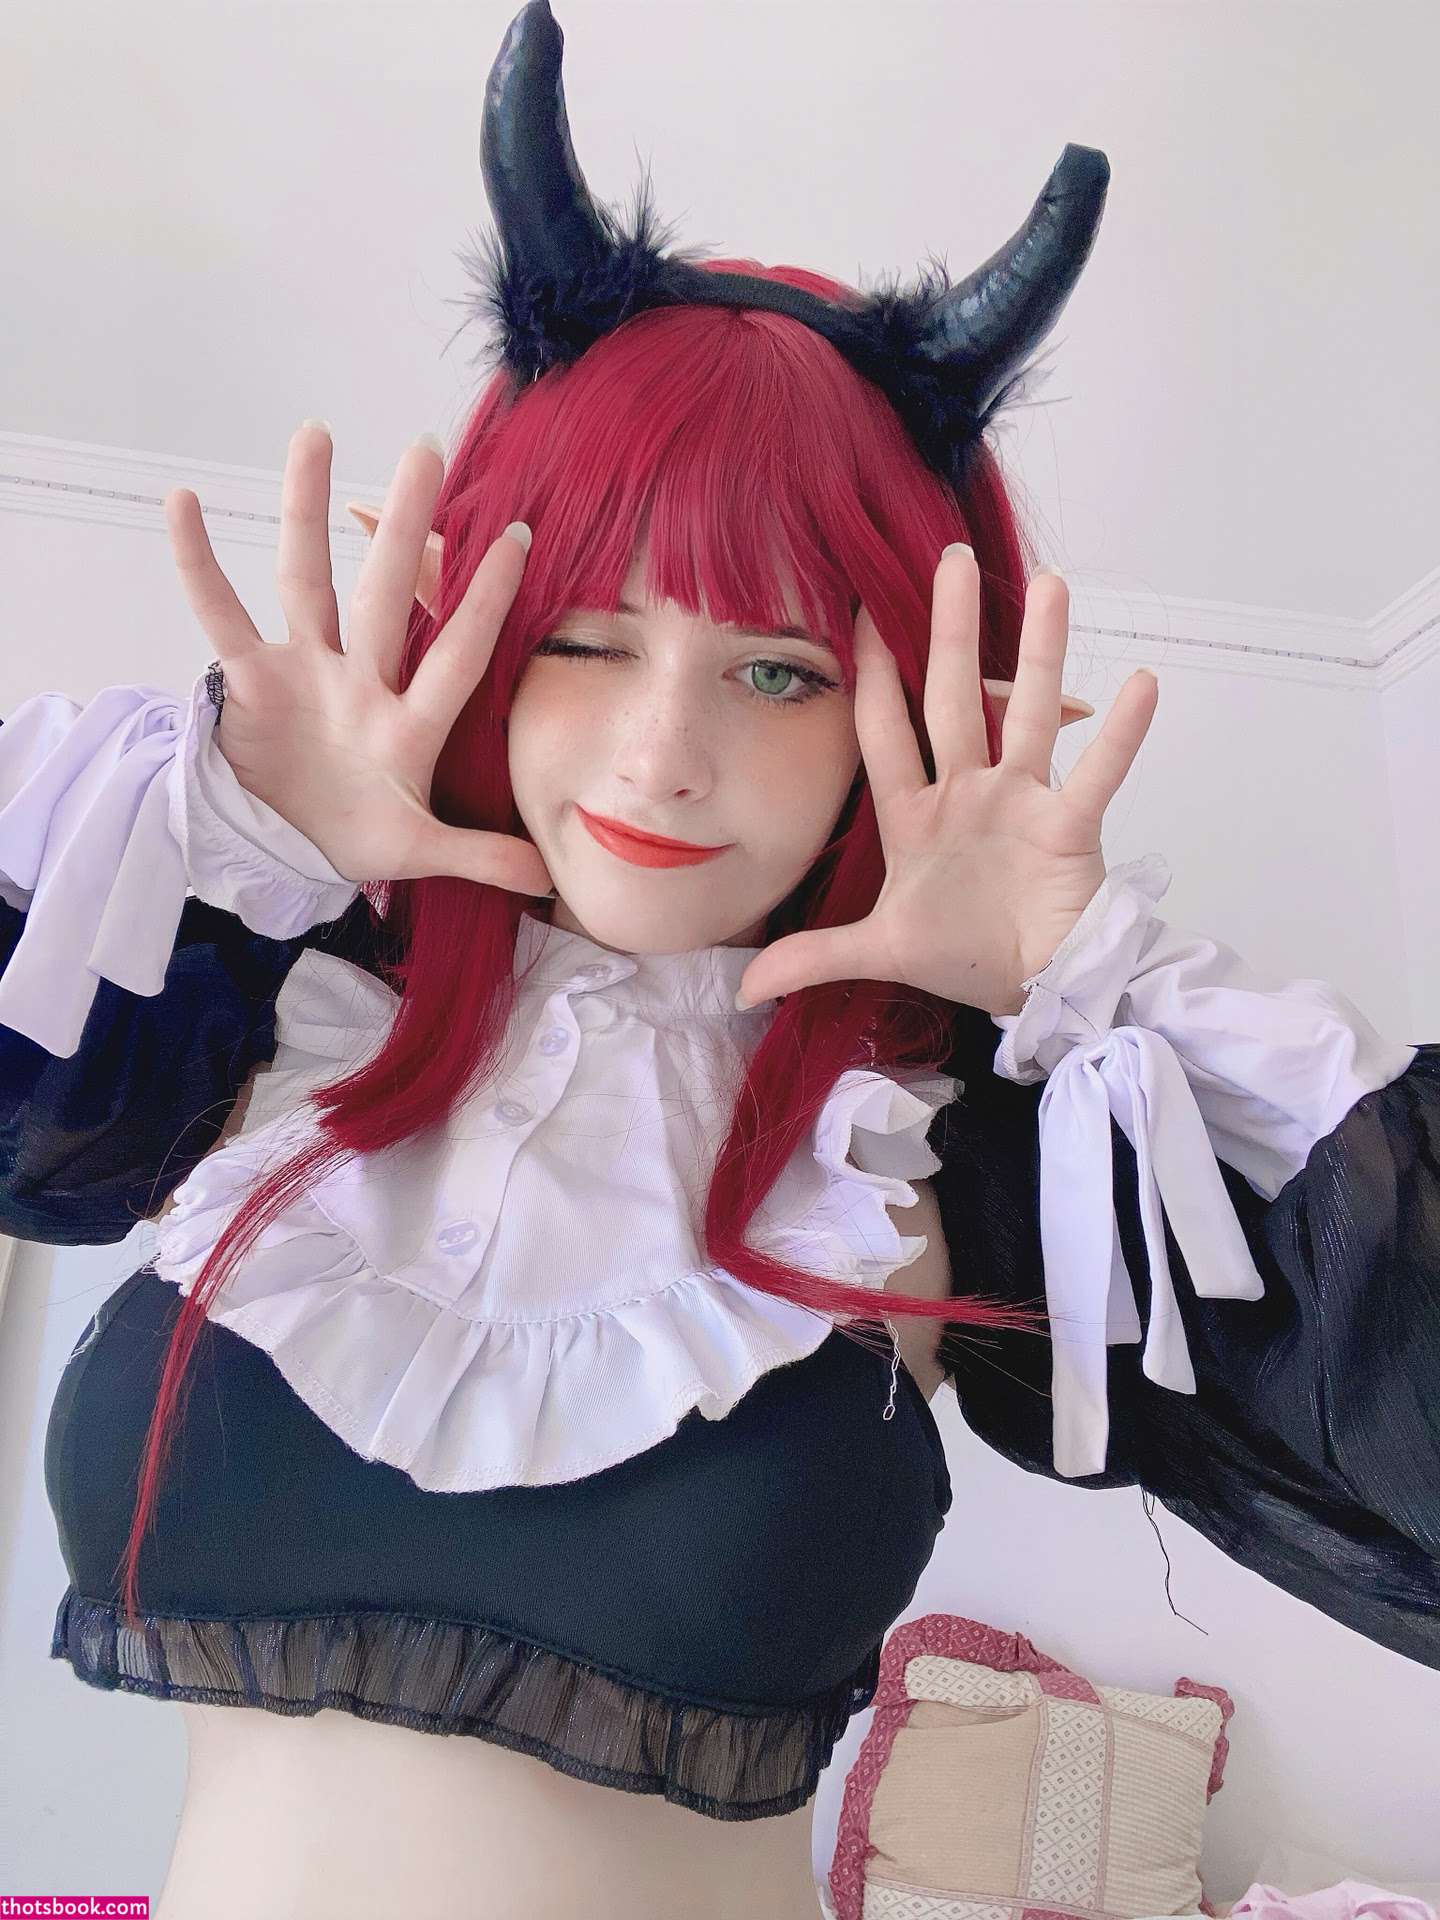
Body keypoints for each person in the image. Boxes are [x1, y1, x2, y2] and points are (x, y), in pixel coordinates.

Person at [5, 4, 1435, 1916]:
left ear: (900, 711)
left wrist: (1078, 976)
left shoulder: (945, 1136)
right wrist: (221, 829)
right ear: (477, 630)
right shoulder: (253, 1009)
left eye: (777, 671)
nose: (661, 756)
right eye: (588, 639)